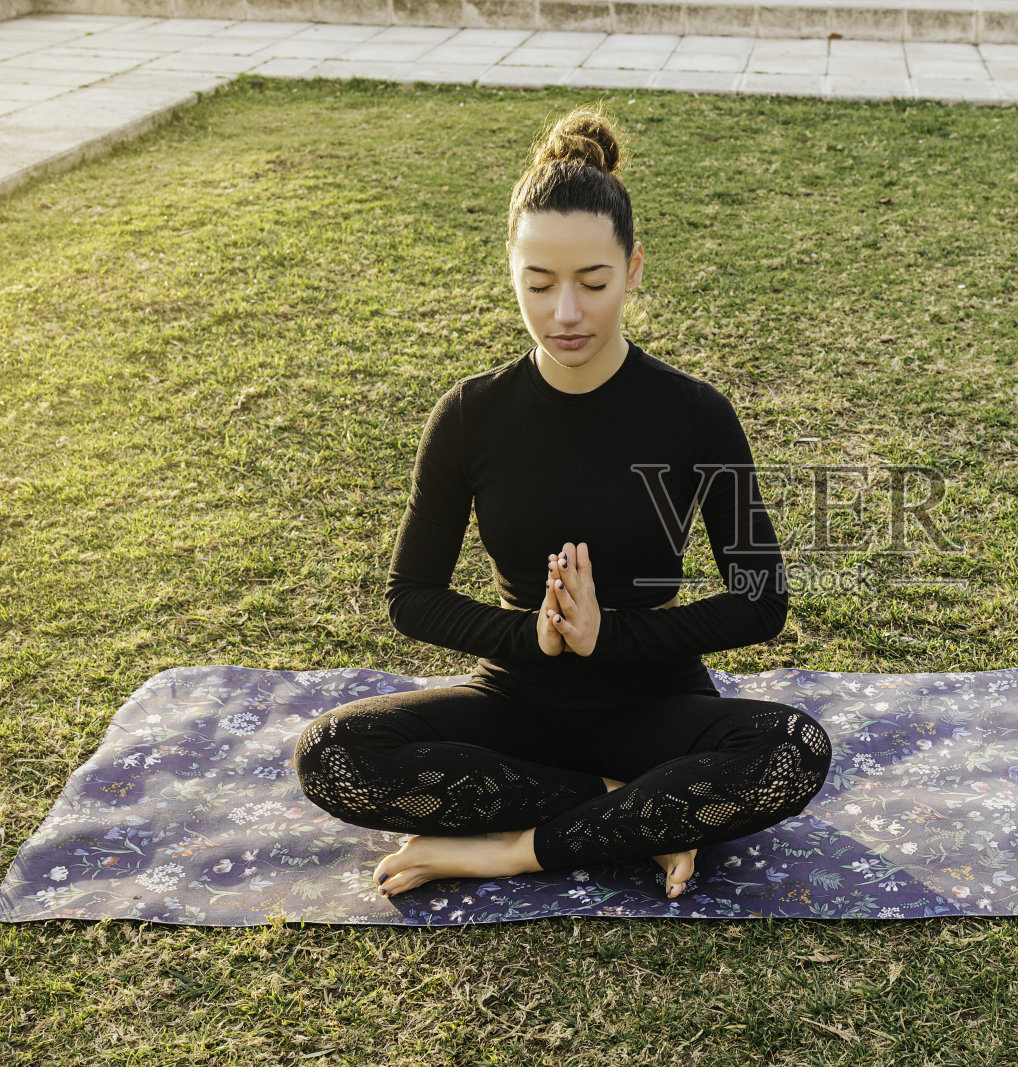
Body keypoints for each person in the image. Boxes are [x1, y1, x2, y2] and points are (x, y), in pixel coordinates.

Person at [292, 102, 832, 903]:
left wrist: (609, 636)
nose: (566, 312)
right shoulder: (471, 414)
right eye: (539, 284)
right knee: (329, 753)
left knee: (795, 748)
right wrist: (534, 636)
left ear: (635, 267)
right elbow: (411, 596)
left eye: (593, 281)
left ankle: (512, 847)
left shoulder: (694, 413)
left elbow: (763, 599)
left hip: (654, 699)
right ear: (511, 270)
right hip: (516, 697)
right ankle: (636, 809)